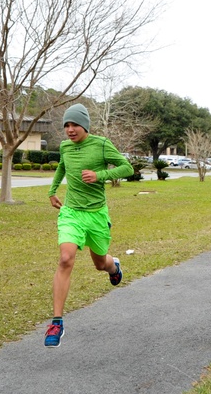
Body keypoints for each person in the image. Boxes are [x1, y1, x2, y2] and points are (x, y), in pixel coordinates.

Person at [44, 103, 134, 347]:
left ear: (85, 125)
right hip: (71, 212)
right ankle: (57, 322)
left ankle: (113, 267)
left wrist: (100, 176)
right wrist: (52, 191)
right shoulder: (64, 146)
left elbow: (128, 167)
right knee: (65, 258)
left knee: (99, 263)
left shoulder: (102, 144)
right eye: (66, 126)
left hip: (96, 214)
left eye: (74, 125)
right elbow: (62, 166)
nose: (70, 130)